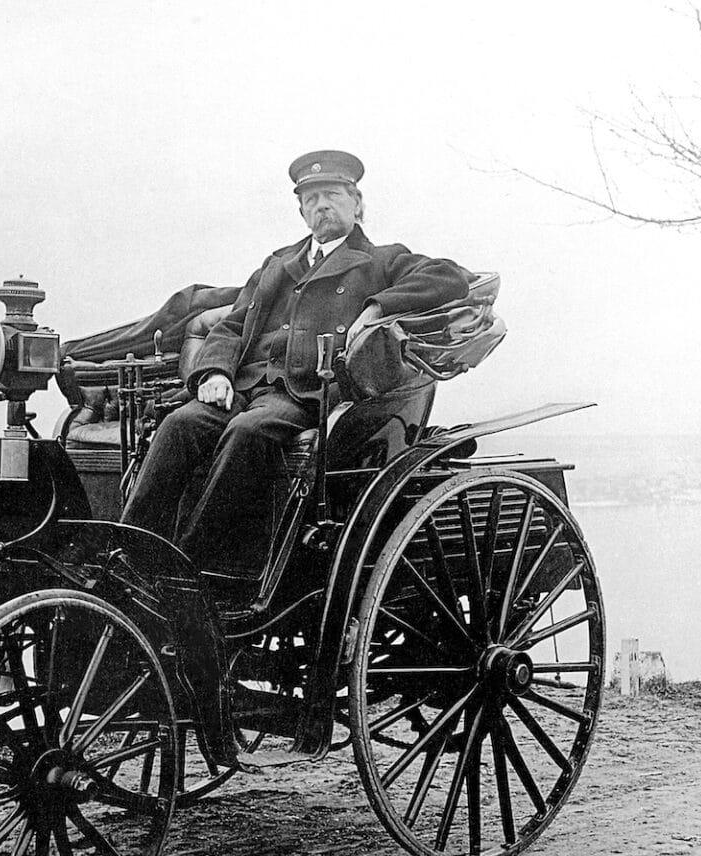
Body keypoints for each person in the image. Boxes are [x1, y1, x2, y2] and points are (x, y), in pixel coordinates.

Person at [119, 150, 470, 572]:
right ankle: (129, 553)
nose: (321, 206)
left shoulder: (383, 260)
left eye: (332, 195)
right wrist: (214, 372)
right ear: (301, 211)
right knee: (181, 424)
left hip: (307, 393)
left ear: (356, 203)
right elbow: (231, 326)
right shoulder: (278, 263)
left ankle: (193, 566)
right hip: (244, 385)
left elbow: (450, 277)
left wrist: (377, 306)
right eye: (311, 199)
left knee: (248, 431)